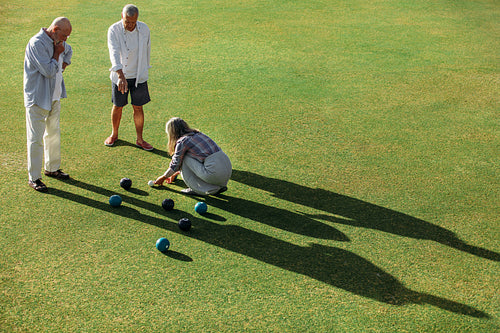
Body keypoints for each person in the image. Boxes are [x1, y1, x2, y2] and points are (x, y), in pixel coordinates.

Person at [24, 17, 73, 192]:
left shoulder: (59, 42)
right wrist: (57, 54)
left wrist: (63, 60)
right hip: (38, 98)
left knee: (53, 133)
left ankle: (52, 168)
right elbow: (49, 71)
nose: (66, 39)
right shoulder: (37, 43)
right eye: (65, 35)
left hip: (54, 97)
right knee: (35, 139)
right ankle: (34, 177)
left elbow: (69, 51)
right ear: (55, 29)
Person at [104, 4, 153, 151]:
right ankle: (114, 134)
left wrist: (145, 70)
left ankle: (140, 139)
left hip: (139, 76)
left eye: (133, 22)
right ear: (122, 16)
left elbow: (147, 50)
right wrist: (120, 75)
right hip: (120, 75)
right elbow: (113, 52)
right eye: (127, 22)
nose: (130, 25)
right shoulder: (113, 30)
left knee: (138, 107)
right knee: (118, 106)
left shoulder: (144, 29)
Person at [154, 117, 232, 196]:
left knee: (184, 157)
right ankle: (217, 185)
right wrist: (175, 173)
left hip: (214, 173)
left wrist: (163, 177)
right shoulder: (198, 134)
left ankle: (201, 189)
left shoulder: (182, 141)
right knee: (187, 156)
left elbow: (176, 164)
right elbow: (198, 159)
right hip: (227, 169)